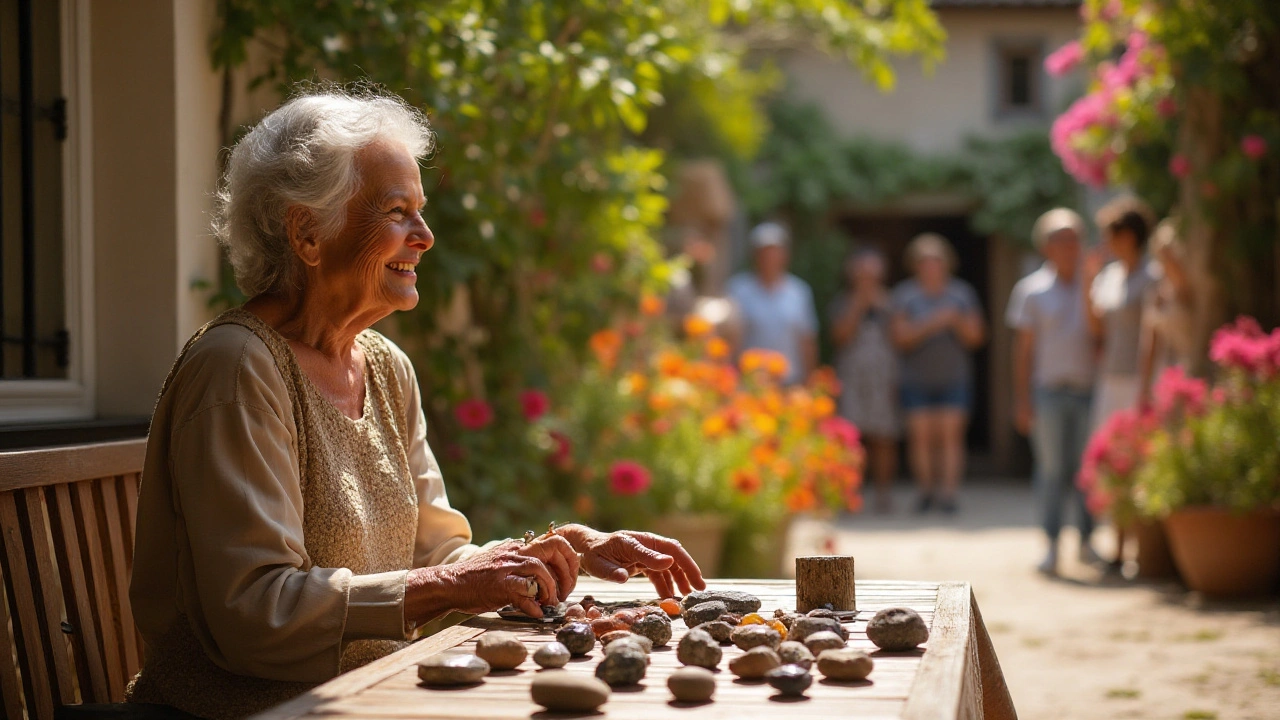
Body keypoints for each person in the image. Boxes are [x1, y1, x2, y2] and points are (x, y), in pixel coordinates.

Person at [127, 89, 705, 719]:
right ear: (308, 232)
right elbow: (254, 611)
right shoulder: (238, 369)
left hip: (370, 700)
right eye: (398, 212)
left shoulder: (382, 365)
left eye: (420, 212)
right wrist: (449, 585)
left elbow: (436, 556)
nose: (425, 237)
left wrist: (547, 553)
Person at [1006, 209, 1102, 576]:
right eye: (1060, 238)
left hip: (1090, 389)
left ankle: (1088, 541)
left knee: (1087, 470)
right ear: (1045, 245)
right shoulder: (1030, 290)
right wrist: (1022, 399)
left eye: (1074, 237)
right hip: (1048, 392)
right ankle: (1051, 544)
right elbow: (1023, 351)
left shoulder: (1096, 284)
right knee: (1050, 469)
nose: (1069, 246)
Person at [1083, 195, 1156, 570]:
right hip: (1110, 379)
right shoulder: (1109, 276)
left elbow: (1152, 336)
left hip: (1137, 381)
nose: (1107, 241)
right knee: (1112, 463)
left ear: (1129, 235)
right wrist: (1087, 281)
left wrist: (1145, 388)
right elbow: (1098, 330)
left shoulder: (1152, 276)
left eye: (1112, 234)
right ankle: (1119, 545)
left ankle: (1141, 549)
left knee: (1139, 461)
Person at [889, 233, 986, 514]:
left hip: (954, 378)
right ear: (915, 265)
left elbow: (976, 337)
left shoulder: (962, 294)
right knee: (921, 437)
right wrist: (934, 322)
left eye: (936, 261)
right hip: (915, 379)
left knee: (950, 437)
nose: (931, 267)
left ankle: (948, 495)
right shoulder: (905, 295)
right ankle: (926, 492)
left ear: (946, 264)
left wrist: (955, 321)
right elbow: (899, 338)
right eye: (925, 262)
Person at [829, 248, 900, 513]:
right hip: (852, 379)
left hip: (884, 378)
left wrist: (885, 310)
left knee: (884, 437)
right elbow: (840, 337)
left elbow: (901, 340)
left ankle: (884, 495)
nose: (867, 279)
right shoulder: (842, 302)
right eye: (862, 273)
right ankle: (851, 496)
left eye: (872, 273)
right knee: (851, 440)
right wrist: (858, 306)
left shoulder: (891, 303)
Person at [727, 222, 818, 385]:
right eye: (763, 252)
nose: (769, 257)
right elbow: (731, 339)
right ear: (754, 254)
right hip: (750, 383)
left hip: (790, 382)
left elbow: (807, 340)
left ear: (785, 255)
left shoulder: (799, 291)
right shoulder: (737, 289)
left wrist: (809, 382)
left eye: (774, 251)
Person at [1138, 220, 1195, 408]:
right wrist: (1144, 388)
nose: (1167, 257)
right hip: (1165, 375)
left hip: (1192, 369)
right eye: (1163, 252)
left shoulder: (1195, 289)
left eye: (1170, 251)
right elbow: (1150, 343)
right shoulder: (1157, 290)